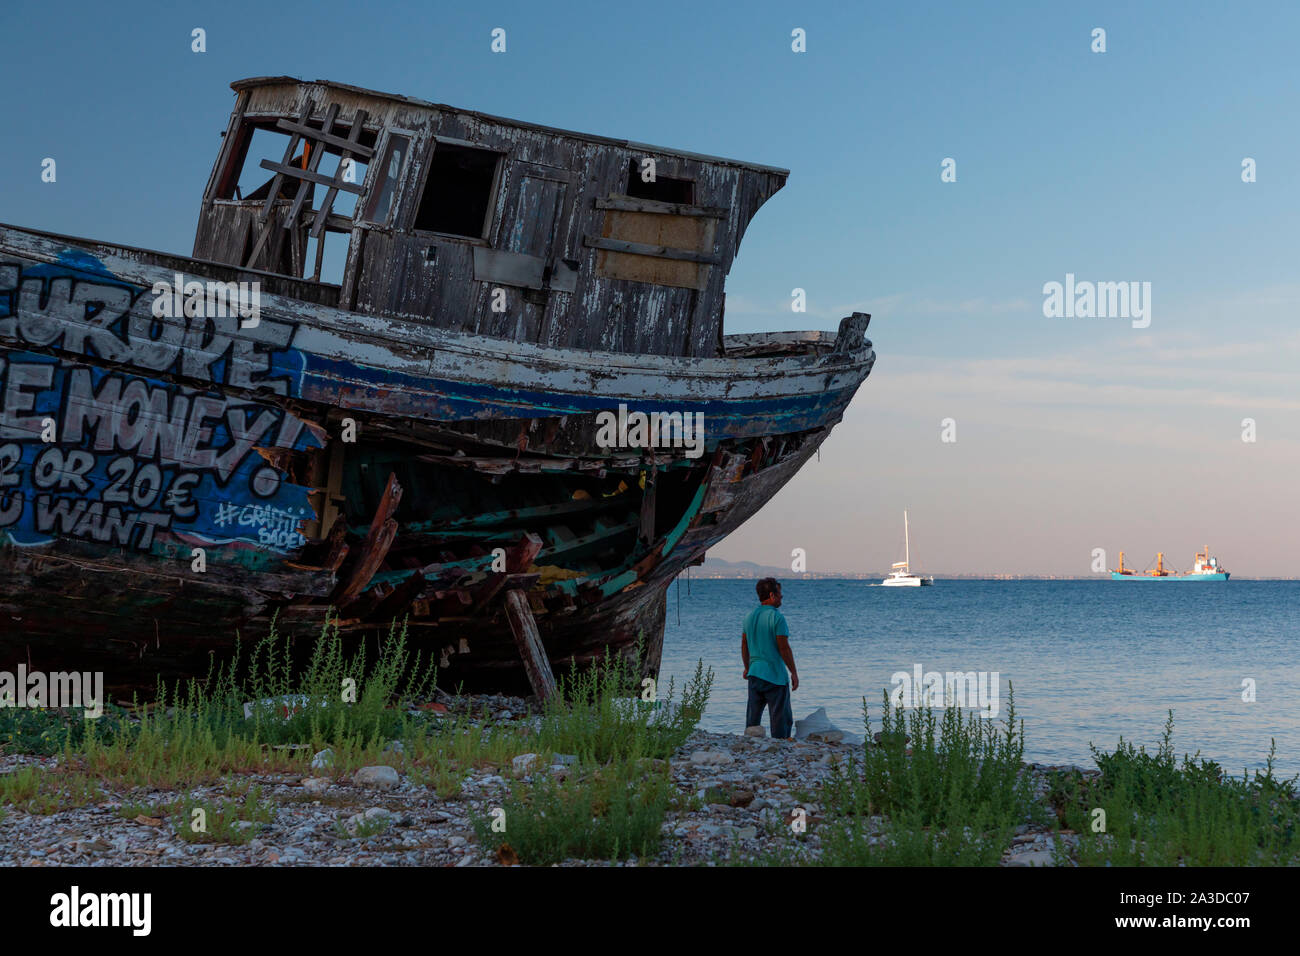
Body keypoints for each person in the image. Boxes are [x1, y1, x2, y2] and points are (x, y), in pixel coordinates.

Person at [741, 577, 797, 739]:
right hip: (775, 676)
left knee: (752, 720)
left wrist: (747, 667)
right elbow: (783, 648)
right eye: (780, 593)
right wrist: (793, 672)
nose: (782, 597)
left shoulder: (749, 616)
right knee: (781, 720)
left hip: (755, 673)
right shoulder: (777, 617)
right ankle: (781, 746)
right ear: (772, 595)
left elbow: (744, 645)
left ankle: (750, 744)